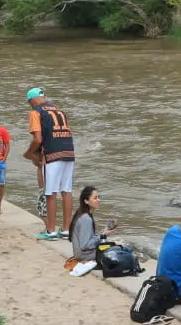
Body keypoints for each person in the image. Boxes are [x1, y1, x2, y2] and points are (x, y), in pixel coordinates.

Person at [24, 88, 75, 240]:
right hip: (69, 151)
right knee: (66, 190)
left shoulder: (36, 112)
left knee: (50, 192)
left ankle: (50, 230)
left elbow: (38, 139)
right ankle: (66, 229)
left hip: (52, 154)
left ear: (32, 100)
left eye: (29, 103)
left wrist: (29, 153)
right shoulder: (59, 111)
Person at [68, 186, 117, 277]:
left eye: (98, 197)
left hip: (81, 253)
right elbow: (85, 245)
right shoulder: (86, 219)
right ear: (86, 201)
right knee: (117, 248)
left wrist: (103, 232)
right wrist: (102, 235)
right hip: (84, 255)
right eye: (95, 198)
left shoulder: (83, 214)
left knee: (114, 244)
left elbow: (87, 238)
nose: (98, 200)